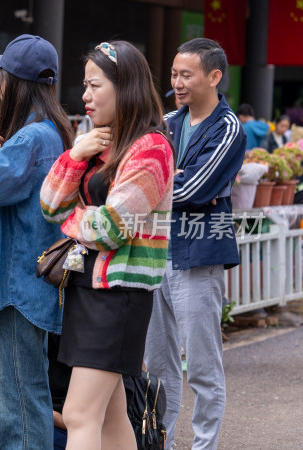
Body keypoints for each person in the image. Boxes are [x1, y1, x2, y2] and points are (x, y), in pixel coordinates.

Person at [41, 40, 174, 450]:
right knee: (113, 418)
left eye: (94, 85)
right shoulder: (103, 142)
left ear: (125, 86)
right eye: (85, 85)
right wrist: (75, 156)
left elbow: (112, 227)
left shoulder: (152, 148)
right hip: (91, 292)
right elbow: (48, 203)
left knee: (80, 415)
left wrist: (72, 222)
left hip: (119, 297)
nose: (84, 95)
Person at [0, 34, 74, 449]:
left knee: (17, 403)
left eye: (0, 75)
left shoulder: (28, 139)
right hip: (32, 281)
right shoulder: (55, 131)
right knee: (31, 393)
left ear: (10, 83)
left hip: (18, 291)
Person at [144, 37, 245, 450]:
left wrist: (149, 184)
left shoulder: (229, 129)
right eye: (173, 74)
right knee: (158, 368)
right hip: (155, 255)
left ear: (214, 77)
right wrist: (154, 180)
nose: (177, 83)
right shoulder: (167, 121)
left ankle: (204, 446)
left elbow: (197, 189)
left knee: (202, 369)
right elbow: (145, 171)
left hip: (199, 257)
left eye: (186, 74)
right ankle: (160, 443)